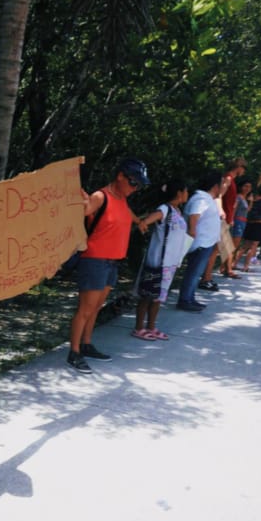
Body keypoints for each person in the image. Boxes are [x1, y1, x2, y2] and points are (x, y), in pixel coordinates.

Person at [66, 157, 159, 374]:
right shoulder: (101, 196)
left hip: (112, 262)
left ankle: (87, 344)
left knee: (96, 308)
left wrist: (140, 222)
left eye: (139, 184)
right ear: (120, 176)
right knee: (85, 309)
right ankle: (74, 351)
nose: (135, 188)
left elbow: (127, 214)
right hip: (95, 260)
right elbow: (84, 210)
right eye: (133, 182)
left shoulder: (122, 199)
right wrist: (79, 199)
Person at [133, 178, 190, 341]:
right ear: (179, 192)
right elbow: (155, 216)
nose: (187, 194)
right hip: (159, 260)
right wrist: (144, 222)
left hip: (170, 262)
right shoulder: (166, 209)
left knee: (159, 296)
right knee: (147, 294)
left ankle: (151, 327)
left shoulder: (177, 211)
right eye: (186, 191)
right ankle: (138, 327)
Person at [176, 170, 224, 312]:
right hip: (200, 243)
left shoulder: (206, 198)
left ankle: (190, 297)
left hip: (205, 242)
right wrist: (192, 232)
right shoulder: (201, 198)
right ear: (216, 186)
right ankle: (185, 300)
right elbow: (194, 215)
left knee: (196, 273)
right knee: (193, 272)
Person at [234, 184, 261, 272]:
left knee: (244, 246)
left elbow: (249, 210)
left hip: (249, 223)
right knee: (253, 246)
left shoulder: (252, 199)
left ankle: (234, 263)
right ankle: (246, 266)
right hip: (259, 224)